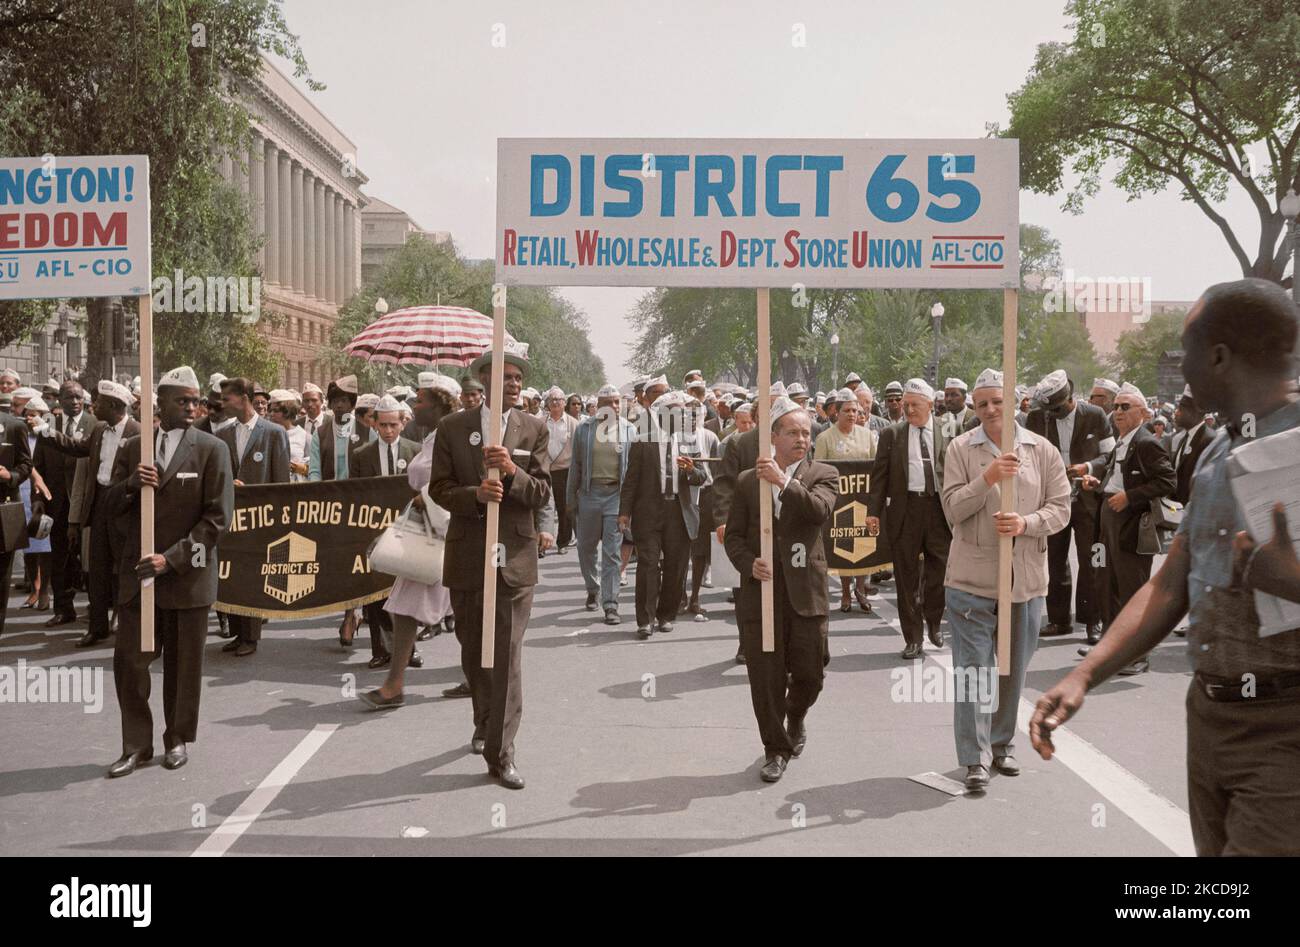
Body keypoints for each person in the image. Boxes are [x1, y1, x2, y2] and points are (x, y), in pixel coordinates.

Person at [1032, 278, 1300, 855]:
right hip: (1210, 718)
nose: (1182, 369)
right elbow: (1170, 585)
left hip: (1285, 732)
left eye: (1188, 350)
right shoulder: (1215, 452)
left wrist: (1290, 581)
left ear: (1220, 357)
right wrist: (1085, 674)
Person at [429, 339, 551, 791]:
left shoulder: (533, 428)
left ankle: (502, 754)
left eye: (519, 377)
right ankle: (483, 718)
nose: (515, 384)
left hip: (514, 562)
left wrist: (514, 474)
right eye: (506, 376)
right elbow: (438, 488)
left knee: (507, 657)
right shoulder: (452, 427)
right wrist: (475, 495)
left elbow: (542, 492)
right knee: (473, 648)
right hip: (467, 556)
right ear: (484, 380)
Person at [941, 369, 1070, 790]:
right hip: (971, 582)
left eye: (998, 401)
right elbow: (952, 510)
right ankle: (973, 758)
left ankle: (1002, 745)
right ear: (973, 409)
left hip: (1025, 581)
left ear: (1015, 403)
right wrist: (988, 478)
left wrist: (1026, 522)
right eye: (982, 404)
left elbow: (1061, 509)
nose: (991, 410)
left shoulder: (1042, 450)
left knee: (1012, 672)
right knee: (974, 672)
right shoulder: (961, 449)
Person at [104, 366, 234, 777]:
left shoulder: (212, 449)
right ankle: (135, 745)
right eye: (183, 400)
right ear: (159, 403)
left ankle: (176, 739)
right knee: (129, 663)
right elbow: (107, 509)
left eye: (196, 400)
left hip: (186, 576)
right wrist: (128, 486)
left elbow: (217, 520)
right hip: (138, 578)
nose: (192, 407)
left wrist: (171, 559)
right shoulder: (133, 448)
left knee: (182, 666)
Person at [725, 397, 838, 783]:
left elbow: (817, 512)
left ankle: (797, 714)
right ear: (773, 437)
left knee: (812, 672)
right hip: (763, 595)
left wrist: (782, 481)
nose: (802, 439)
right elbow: (734, 538)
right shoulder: (746, 482)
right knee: (766, 676)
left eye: (807, 432)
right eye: (792, 432)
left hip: (806, 591)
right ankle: (775, 749)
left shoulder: (824, 474)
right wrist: (747, 564)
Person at [358, 374, 463, 710]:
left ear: (439, 405)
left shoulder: (454, 436)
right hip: (428, 532)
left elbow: (450, 480)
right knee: (406, 606)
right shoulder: (434, 436)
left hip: (447, 534)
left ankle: (478, 677)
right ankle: (394, 684)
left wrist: (427, 497)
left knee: (465, 609)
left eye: (420, 401)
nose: (413, 407)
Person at [30, 380, 139, 647]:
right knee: (97, 570)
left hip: (125, 509)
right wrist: (46, 432)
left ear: (114, 406)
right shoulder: (100, 429)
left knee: (125, 570)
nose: (93, 406)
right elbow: (76, 447)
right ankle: (97, 627)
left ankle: (129, 626)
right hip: (99, 506)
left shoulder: (139, 432)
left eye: (98, 402)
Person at [1077, 382, 1174, 675]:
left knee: (1132, 590)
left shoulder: (1146, 442)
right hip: (1108, 517)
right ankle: (1110, 646)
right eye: (1116, 406)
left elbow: (1167, 482)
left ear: (1143, 413)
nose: (1117, 412)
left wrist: (1130, 497)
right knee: (1107, 583)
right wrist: (1100, 484)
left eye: (1124, 407)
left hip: (1130, 523)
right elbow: (1117, 476)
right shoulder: (1123, 441)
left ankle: (1138, 655)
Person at [867, 378, 954, 659]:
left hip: (938, 511)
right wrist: (873, 512)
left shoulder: (947, 431)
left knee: (938, 573)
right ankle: (913, 638)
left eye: (915, 405)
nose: (908, 410)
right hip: (906, 512)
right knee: (905, 577)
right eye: (906, 405)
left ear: (930, 405)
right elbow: (879, 477)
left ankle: (934, 621)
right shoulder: (892, 435)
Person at [1025, 370, 1113, 644]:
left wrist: (1086, 467)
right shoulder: (1037, 417)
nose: (1052, 414)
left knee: (1090, 560)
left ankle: (1091, 621)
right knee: (1054, 558)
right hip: (1052, 498)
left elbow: (1108, 454)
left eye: (1058, 409)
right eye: (1049, 410)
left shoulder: (1095, 416)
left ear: (1070, 397)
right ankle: (1058, 619)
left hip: (1087, 498)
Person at [619, 390, 708, 638]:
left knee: (676, 566)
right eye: (677, 412)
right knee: (647, 564)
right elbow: (631, 479)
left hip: (678, 512)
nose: (683, 416)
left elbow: (702, 477)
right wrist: (624, 512)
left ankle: (666, 616)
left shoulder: (689, 441)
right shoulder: (643, 440)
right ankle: (644, 620)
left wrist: (691, 470)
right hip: (648, 510)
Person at [215, 377, 290, 657]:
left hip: (262, 517)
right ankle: (237, 631)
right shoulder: (222, 434)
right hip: (230, 516)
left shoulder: (273, 433)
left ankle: (251, 636)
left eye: (227, 399)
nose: (223, 404)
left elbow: (281, 481)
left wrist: (277, 516)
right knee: (233, 573)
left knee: (253, 575)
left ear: (244, 398)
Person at [352, 394, 423, 669]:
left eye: (394, 425)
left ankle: (409, 649)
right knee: (376, 592)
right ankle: (381, 649)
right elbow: (355, 495)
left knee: (407, 591)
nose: (389, 430)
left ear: (402, 423)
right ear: (374, 425)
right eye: (383, 425)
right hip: (375, 530)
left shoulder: (414, 450)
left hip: (408, 530)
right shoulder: (361, 455)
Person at [568, 384, 636, 624]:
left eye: (617, 402)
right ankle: (593, 588)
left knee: (612, 552)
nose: (614, 407)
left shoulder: (629, 430)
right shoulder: (584, 430)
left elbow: (634, 470)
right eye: (608, 403)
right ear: (598, 406)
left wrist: (631, 504)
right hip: (588, 495)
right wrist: (570, 502)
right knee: (586, 549)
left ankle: (610, 603)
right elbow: (575, 466)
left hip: (616, 497)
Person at [309, 375, 364, 647]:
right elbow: (315, 470)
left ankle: (350, 615)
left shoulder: (365, 430)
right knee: (340, 563)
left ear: (352, 404)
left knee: (357, 561)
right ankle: (351, 612)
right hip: (332, 507)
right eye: (335, 402)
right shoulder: (320, 433)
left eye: (344, 401)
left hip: (360, 507)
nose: (340, 406)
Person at [33, 380, 94, 629]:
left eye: (79, 397)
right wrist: (38, 500)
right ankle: (63, 609)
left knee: (90, 559)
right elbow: (38, 466)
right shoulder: (48, 427)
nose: (75, 401)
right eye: (69, 397)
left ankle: (95, 608)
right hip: (57, 504)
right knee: (60, 559)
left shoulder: (95, 424)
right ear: (59, 400)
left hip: (87, 504)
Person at [815, 387, 878, 613]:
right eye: (847, 410)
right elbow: (818, 470)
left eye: (855, 410)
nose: (852, 414)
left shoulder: (867, 436)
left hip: (862, 499)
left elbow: (876, 467)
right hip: (838, 502)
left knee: (862, 544)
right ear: (836, 412)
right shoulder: (824, 438)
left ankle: (860, 590)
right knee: (842, 546)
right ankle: (844, 592)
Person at [681, 395, 720, 619]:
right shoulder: (676, 438)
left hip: (706, 494)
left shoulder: (710, 437)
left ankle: (694, 596)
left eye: (697, 414)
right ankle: (680, 596)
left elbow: (717, 471)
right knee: (680, 549)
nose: (693, 418)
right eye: (689, 414)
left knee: (701, 550)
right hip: (684, 495)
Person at [18, 398, 52, 612]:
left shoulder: (47, 435)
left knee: (44, 544)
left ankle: (46, 590)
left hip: (44, 492)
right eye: (27, 414)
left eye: (34, 414)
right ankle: (35, 586)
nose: (29, 418)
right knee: (27, 543)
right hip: (23, 492)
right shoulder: (19, 434)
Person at [543, 386, 580, 553]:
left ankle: (563, 542)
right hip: (544, 469)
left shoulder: (574, 424)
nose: (556, 402)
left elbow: (579, 450)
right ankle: (541, 543)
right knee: (542, 505)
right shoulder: (541, 422)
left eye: (559, 399)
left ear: (565, 403)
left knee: (564, 508)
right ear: (548, 404)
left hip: (566, 470)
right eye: (552, 400)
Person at [1170, 385, 1212, 506]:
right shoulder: (1186, 437)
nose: (1176, 413)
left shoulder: (1208, 440)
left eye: (1180, 409)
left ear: (1193, 412)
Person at [268, 390, 310, 482]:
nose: (271, 414)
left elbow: (313, 469)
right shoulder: (267, 434)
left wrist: (299, 468)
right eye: (270, 410)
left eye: (276, 411)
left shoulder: (304, 436)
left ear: (287, 411)